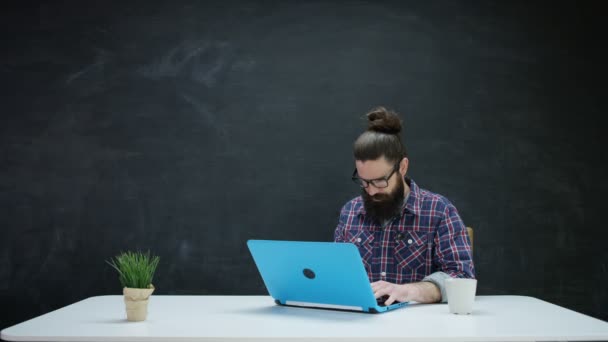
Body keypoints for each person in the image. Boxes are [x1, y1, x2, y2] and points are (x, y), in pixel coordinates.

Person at [334, 106, 475, 305]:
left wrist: (408, 291)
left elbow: (462, 277)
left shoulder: (439, 211)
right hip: (361, 326)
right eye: (364, 182)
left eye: (379, 181)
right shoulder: (349, 213)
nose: (371, 191)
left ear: (402, 167)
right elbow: (337, 275)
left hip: (418, 329)